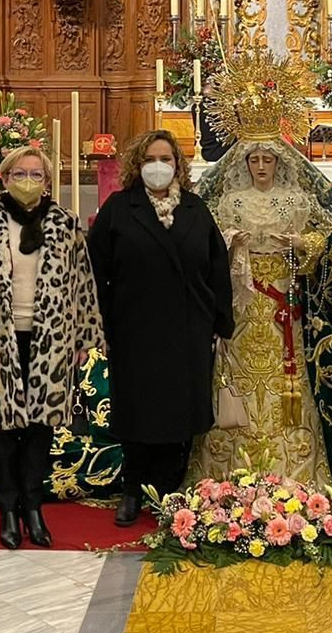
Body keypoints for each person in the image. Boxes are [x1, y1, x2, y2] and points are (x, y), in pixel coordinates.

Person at [0, 147, 101, 548]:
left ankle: (33, 508)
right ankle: (7, 509)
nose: (28, 181)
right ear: (4, 178)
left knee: (40, 427)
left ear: (47, 183)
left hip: (50, 338)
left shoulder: (65, 223)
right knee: (4, 429)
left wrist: (83, 337)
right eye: (20, 173)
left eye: (36, 175)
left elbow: (83, 284)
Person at [89, 130, 233, 527]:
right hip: (134, 328)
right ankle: (133, 488)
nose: (158, 166)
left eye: (166, 159)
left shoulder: (196, 209)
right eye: (150, 159)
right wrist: (100, 322)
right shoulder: (120, 208)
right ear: (138, 165)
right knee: (138, 411)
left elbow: (217, 267)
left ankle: (170, 488)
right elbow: (96, 270)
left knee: (180, 412)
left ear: (177, 165)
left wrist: (219, 321)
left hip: (188, 328)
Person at [192, 137, 332, 486]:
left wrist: (299, 243)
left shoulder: (297, 200)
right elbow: (208, 244)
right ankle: (228, 466)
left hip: (283, 300)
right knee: (236, 374)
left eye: (268, 159)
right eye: (254, 159)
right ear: (244, 164)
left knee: (287, 376)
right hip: (243, 301)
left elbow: (329, 238)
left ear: (280, 163)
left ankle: (293, 465)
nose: (261, 166)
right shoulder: (231, 201)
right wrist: (230, 241)